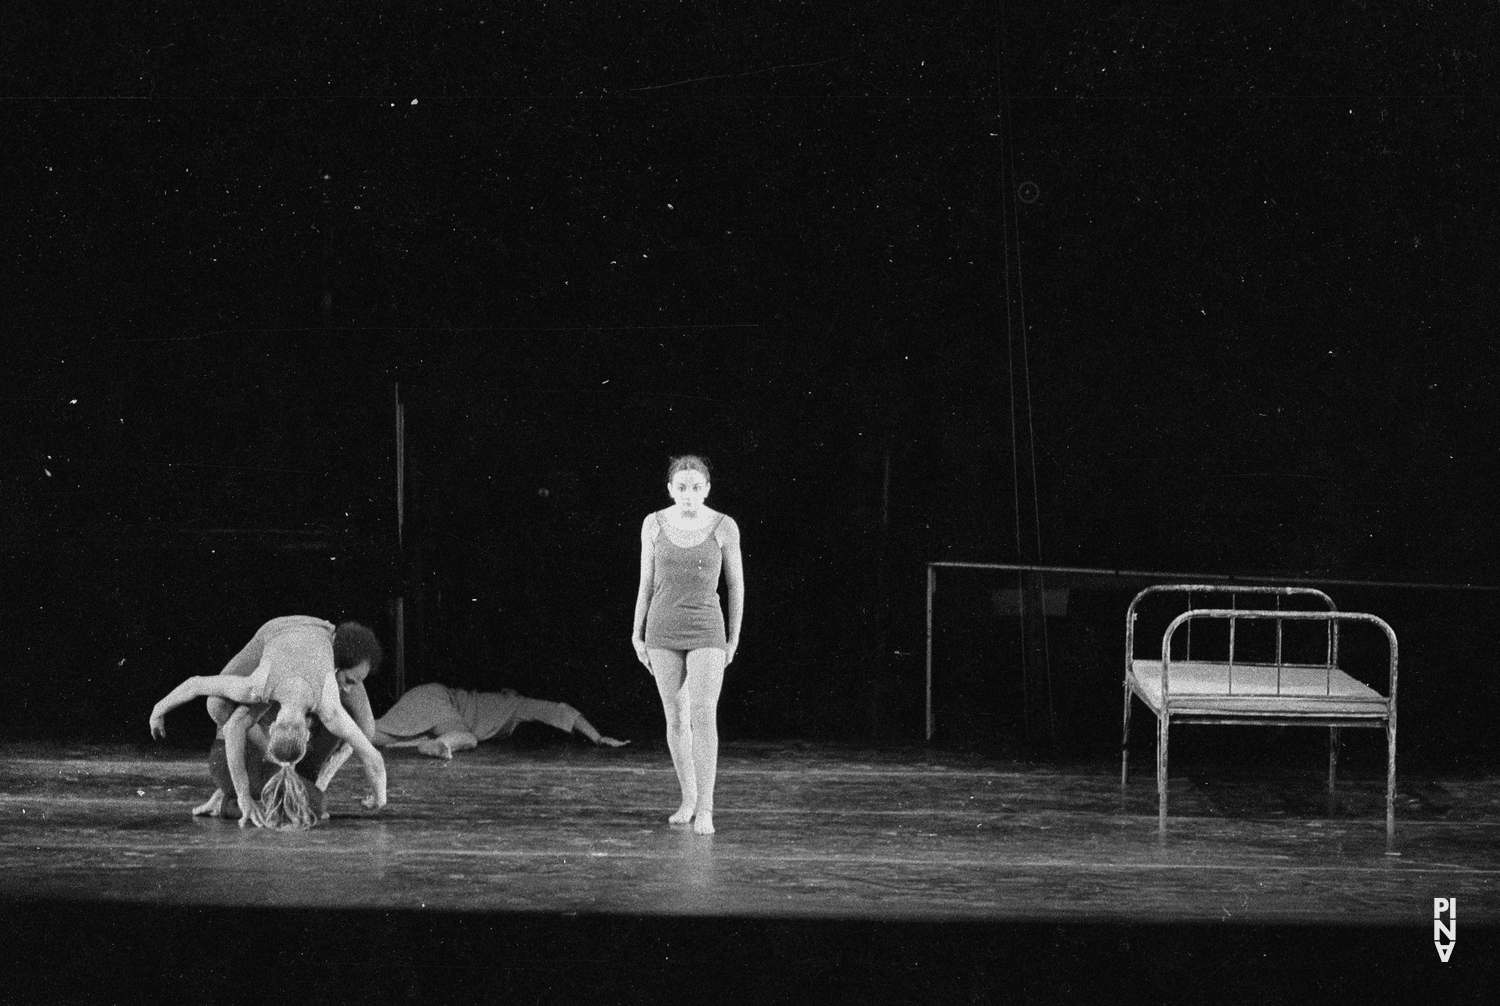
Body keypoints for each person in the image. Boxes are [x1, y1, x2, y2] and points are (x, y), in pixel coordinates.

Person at [149, 617, 388, 830]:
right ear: (306, 734)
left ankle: (284, 776)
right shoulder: (317, 704)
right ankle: (235, 788)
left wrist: (158, 710)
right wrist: (379, 798)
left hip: (319, 636)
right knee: (217, 705)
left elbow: (196, 684)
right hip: (277, 631)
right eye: (347, 681)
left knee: (364, 729)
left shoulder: (318, 702)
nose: (347, 689)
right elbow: (374, 759)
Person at [630, 454, 744, 835]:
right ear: (670, 489)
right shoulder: (653, 524)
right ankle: (688, 798)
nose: (689, 495)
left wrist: (734, 637)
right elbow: (645, 583)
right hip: (662, 628)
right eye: (682, 488)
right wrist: (637, 632)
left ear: (707, 489)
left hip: (706, 628)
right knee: (675, 717)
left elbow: (736, 586)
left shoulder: (724, 526)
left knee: (703, 713)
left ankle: (707, 808)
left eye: (697, 488)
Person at [373, 683, 629, 758]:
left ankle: (337, 728)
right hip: (437, 700)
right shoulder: (516, 704)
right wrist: (596, 736)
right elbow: (558, 710)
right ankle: (442, 744)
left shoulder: (489, 699)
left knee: (380, 735)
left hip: (430, 696)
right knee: (468, 739)